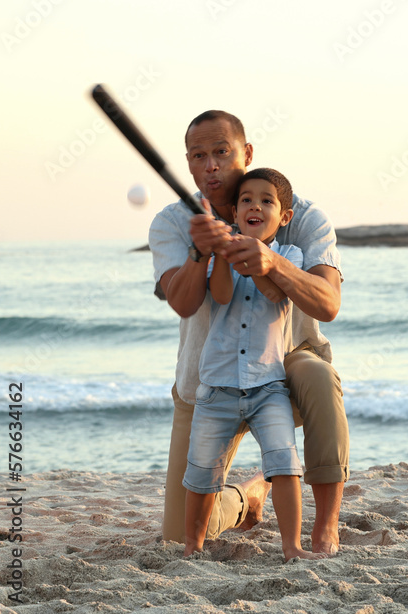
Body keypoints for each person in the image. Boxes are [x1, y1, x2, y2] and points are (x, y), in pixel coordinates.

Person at [149, 110, 348, 555]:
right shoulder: (172, 223)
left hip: (282, 366)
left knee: (318, 375)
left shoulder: (301, 215)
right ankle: (248, 497)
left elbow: (328, 304)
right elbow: (183, 302)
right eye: (199, 156)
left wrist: (273, 262)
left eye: (222, 152)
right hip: (208, 376)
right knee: (179, 537)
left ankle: (325, 528)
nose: (212, 166)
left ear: (247, 152)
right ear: (188, 163)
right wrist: (202, 253)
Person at [184, 168, 324, 560]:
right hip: (217, 386)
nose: (255, 206)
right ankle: (193, 548)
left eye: (266, 201)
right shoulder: (219, 255)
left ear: (284, 217)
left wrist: (258, 259)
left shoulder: (290, 257)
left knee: (284, 463)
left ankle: (292, 546)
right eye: (246, 199)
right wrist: (226, 254)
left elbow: (275, 292)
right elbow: (223, 295)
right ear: (234, 211)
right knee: (201, 472)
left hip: (268, 386)